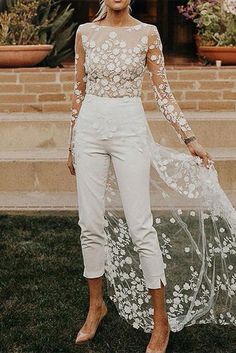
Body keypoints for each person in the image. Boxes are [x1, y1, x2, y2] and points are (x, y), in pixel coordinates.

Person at [67, 1, 236, 352]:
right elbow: (79, 90)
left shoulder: (148, 33)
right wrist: (71, 142)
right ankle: (96, 306)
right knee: (89, 223)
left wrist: (189, 138)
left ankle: (161, 323)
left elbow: (163, 94)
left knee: (141, 224)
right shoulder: (85, 33)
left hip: (129, 131)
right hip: (89, 132)